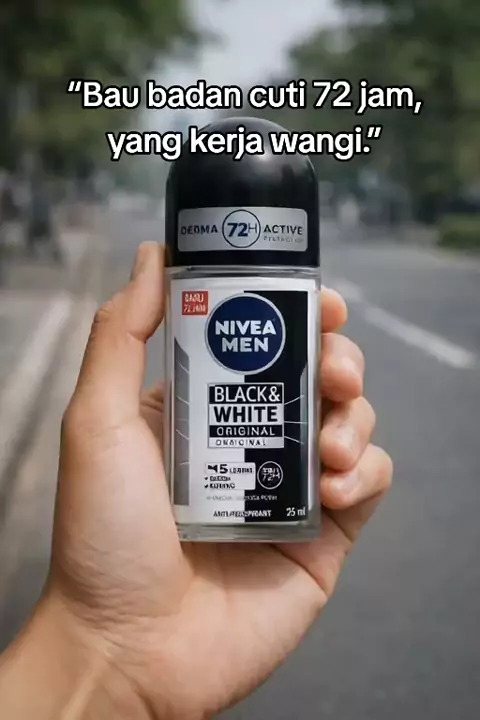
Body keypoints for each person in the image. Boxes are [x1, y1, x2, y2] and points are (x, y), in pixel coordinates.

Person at [0, 242, 392, 719]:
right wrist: (102, 640)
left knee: (314, 367)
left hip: (255, 534)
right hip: (178, 551)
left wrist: (106, 657)